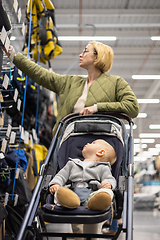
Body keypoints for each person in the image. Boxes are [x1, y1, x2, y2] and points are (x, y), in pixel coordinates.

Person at [1, 41, 139, 138]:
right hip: (67, 143)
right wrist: (14, 56)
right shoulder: (70, 82)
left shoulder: (116, 83)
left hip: (100, 144)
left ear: (97, 57)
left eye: (85, 51)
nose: (81, 54)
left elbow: (132, 107)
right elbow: (41, 75)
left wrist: (97, 108)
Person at [49, 139, 117, 236]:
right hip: (72, 194)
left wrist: (108, 183)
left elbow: (110, 178)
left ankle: (100, 201)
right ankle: (68, 201)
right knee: (60, 191)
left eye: (93, 143)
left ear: (100, 152)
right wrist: (55, 184)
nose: (88, 143)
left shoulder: (103, 167)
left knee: (107, 191)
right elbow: (60, 176)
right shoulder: (72, 163)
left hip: (92, 196)